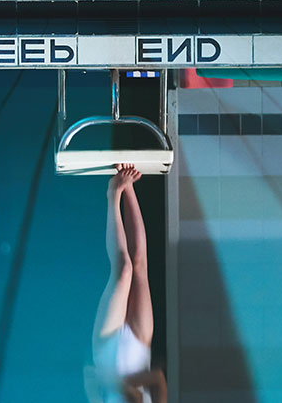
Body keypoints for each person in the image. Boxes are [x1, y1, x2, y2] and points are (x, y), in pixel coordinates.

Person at [85, 164, 167, 403]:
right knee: (139, 266)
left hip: (107, 346)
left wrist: (125, 388)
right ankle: (129, 186)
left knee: (123, 270)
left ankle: (114, 193)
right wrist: (127, 387)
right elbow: (159, 379)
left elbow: (90, 376)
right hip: (140, 347)